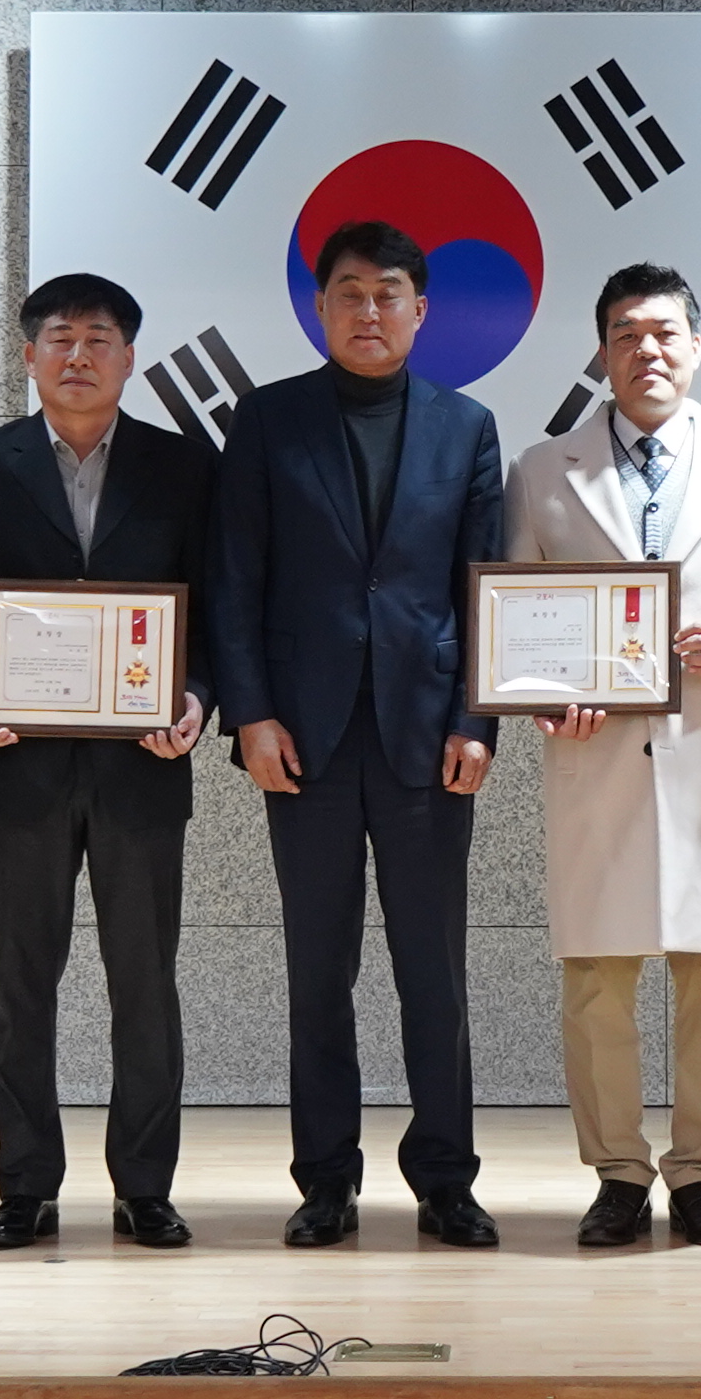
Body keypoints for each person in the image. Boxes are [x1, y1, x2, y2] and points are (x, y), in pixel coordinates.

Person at [200, 218, 510, 1249]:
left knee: (435, 974)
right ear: (319, 307)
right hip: (306, 738)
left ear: (420, 310)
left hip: (428, 738)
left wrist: (476, 719)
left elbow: (481, 585)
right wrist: (250, 713)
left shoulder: (467, 427)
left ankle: (446, 1179)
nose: (367, 310)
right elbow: (234, 579)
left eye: (387, 294)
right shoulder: (268, 419)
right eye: (348, 292)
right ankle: (326, 1179)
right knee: (317, 972)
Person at [502, 262, 701, 1250]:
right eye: (627, 334)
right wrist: (546, 695)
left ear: (697, 346)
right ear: (603, 352)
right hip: (594, 758)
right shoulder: (542, 470)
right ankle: (619, 1173)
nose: (648, 350)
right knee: (597, 975)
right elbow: (515, 611)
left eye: (666, 332)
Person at [0, 272, 216, 1252]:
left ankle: (145, 1186)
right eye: (60, 337)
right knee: (20, 984)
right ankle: (25, 1186)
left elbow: (214, 607)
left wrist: (197, 697)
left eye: (100, 338)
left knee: (145, 983)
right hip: (22, 767)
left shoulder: (184, 466)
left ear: (130, 357)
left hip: (144, 764)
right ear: (30, 355)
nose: (79, 355)